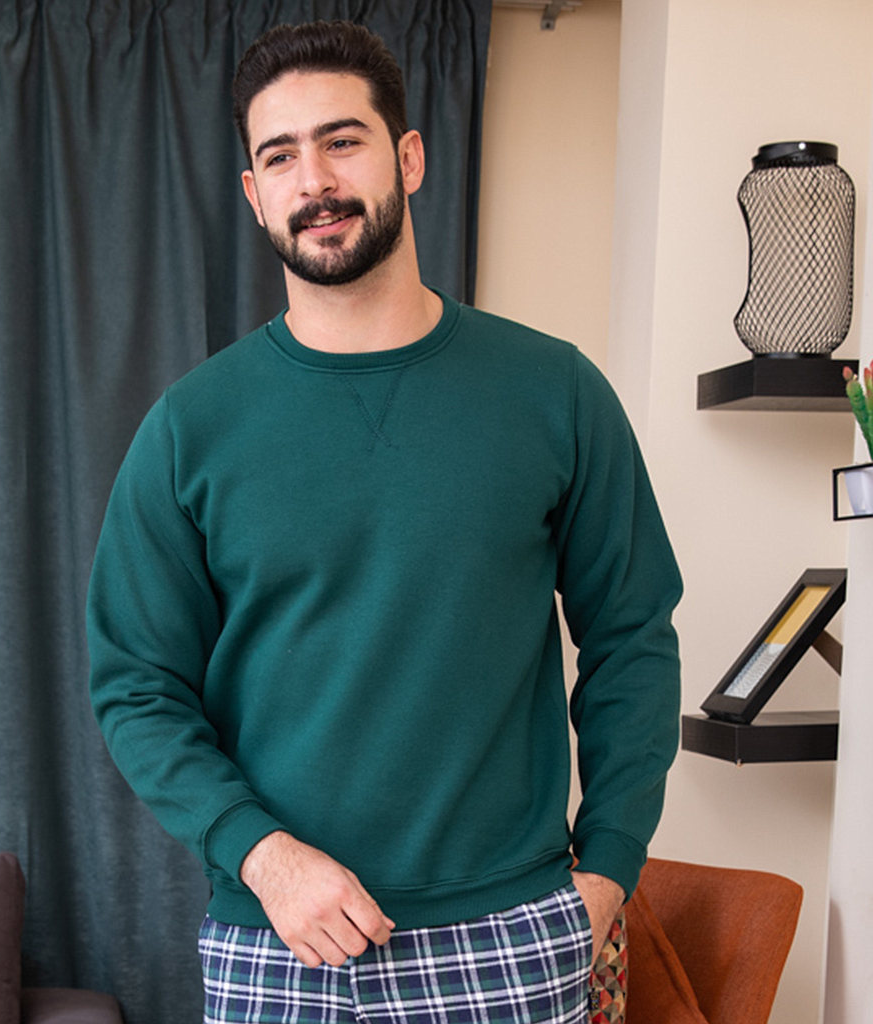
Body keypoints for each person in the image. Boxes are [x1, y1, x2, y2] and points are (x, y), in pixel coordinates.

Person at [87, 19, 681, 1024]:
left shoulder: (555, 392)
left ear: (408, 158)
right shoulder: (190, 428)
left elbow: (632, 637)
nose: (314, 179)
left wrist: (609, 869)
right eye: (281, 156)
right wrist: (263, 858)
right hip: (280, 935)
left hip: (510, 935)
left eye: (342, 140)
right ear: (254, 194)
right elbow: (136, 686)